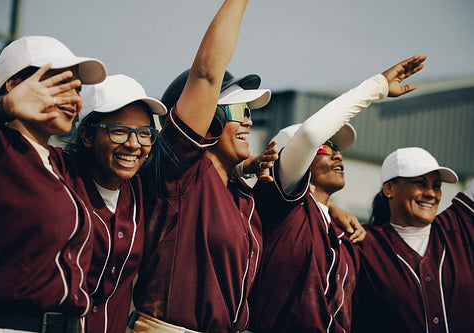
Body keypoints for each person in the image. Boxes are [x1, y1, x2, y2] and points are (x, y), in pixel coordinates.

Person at [249, 55, 427, 332]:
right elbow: (308, 135)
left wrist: (333, 211)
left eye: (337, 148)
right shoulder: (284, 207)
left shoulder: (342, 233)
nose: (338, 155)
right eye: (326, 148)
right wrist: (376, 86)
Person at [130, 0, 273, 332]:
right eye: (239, 112)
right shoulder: (180, 172)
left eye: (251, 113)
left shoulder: (239, 194)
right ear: (208, 119)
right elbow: (207, 75)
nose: (249, 123)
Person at [0, 35, 106, 332]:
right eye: (61, 85)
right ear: (13, 85)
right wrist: (0, 107)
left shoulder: (57, 163)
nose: (76, 99)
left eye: (78, 89)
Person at [56, 74, 166, 333]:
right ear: (86, 135)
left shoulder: (140, 190)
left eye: (144, 134)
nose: (133, 144)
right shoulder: (57, 174)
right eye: (119, 131)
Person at [353, 147, 474, 332]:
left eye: (436, 185)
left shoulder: (458, 228)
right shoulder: (364, 243)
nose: (431, 193)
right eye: (420, 183)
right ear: (389, 188)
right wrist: (331, 208)